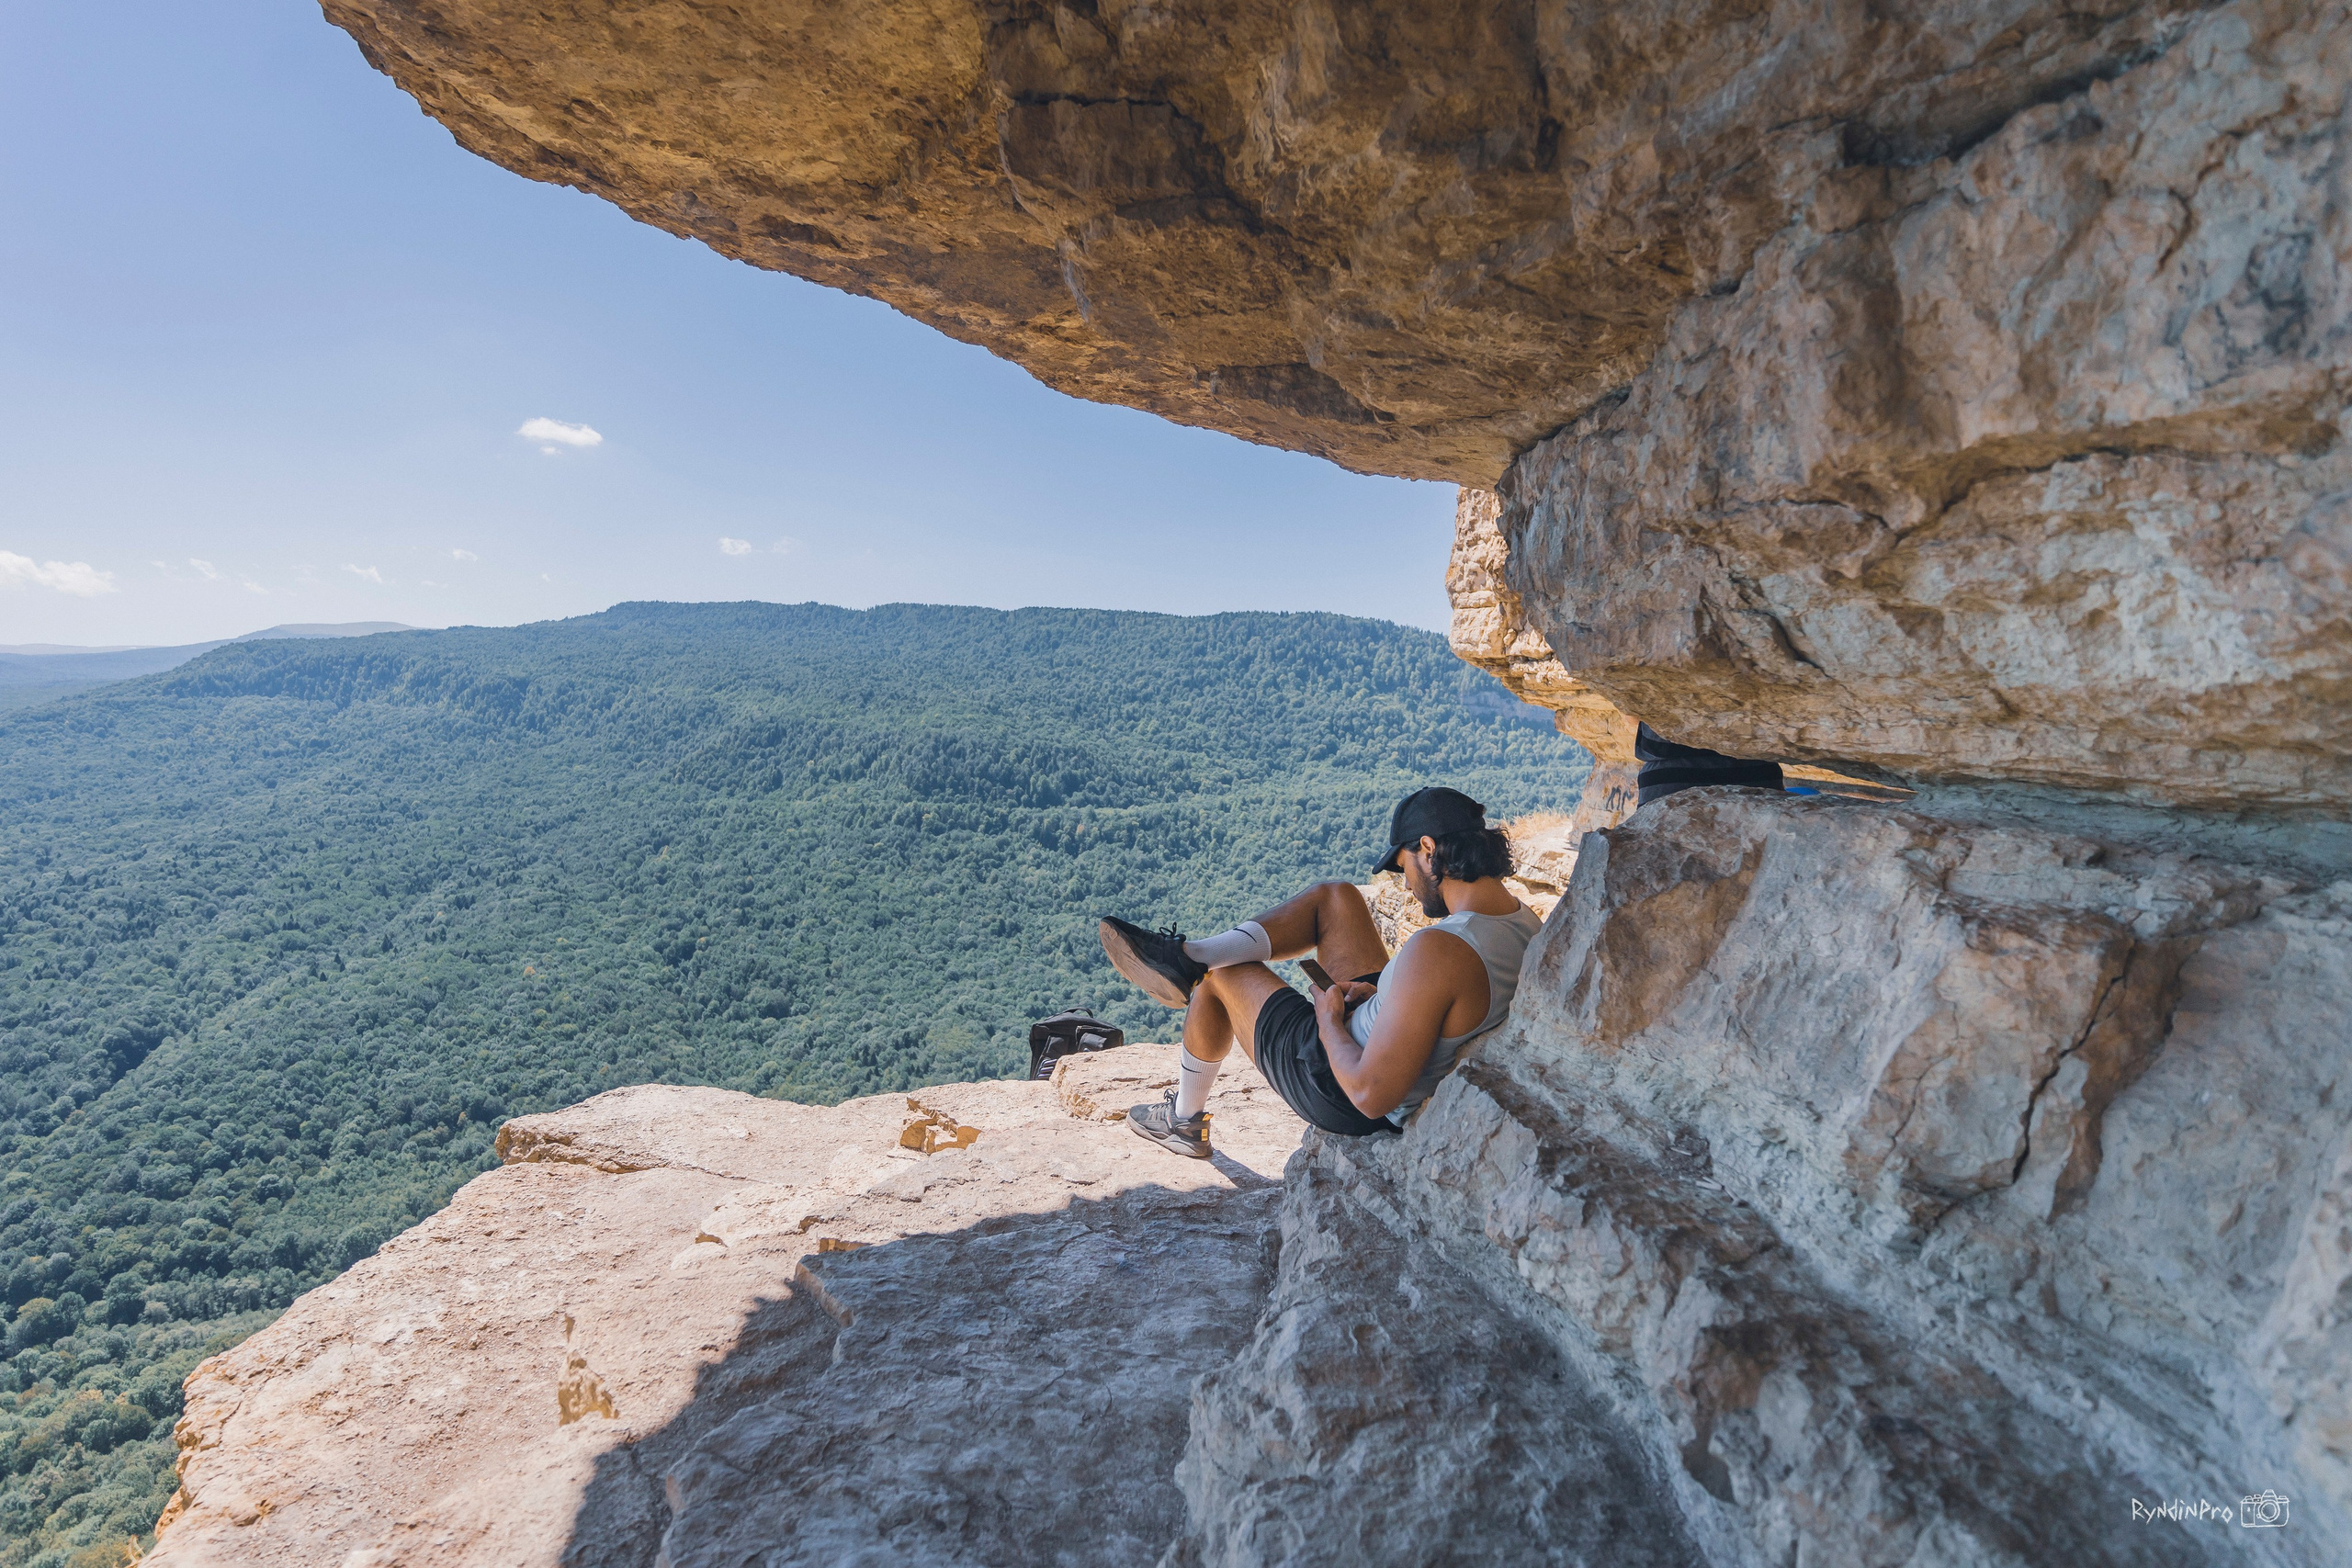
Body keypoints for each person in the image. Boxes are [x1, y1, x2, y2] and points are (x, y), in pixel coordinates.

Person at [1096, 787, 1544, 1158]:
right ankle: (1189, 955)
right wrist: (1382, 996)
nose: (1405, 882)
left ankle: (1183, 1121)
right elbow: (1450, 1003)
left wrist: (1329, 1023)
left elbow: (1370, 1094)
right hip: (1384, 1033)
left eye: (1401, 865)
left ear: (1428, 850)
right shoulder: (1525, 924)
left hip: (1338, 1083)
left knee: (1221, 978)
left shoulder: (1440, 948)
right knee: (1337, 899)